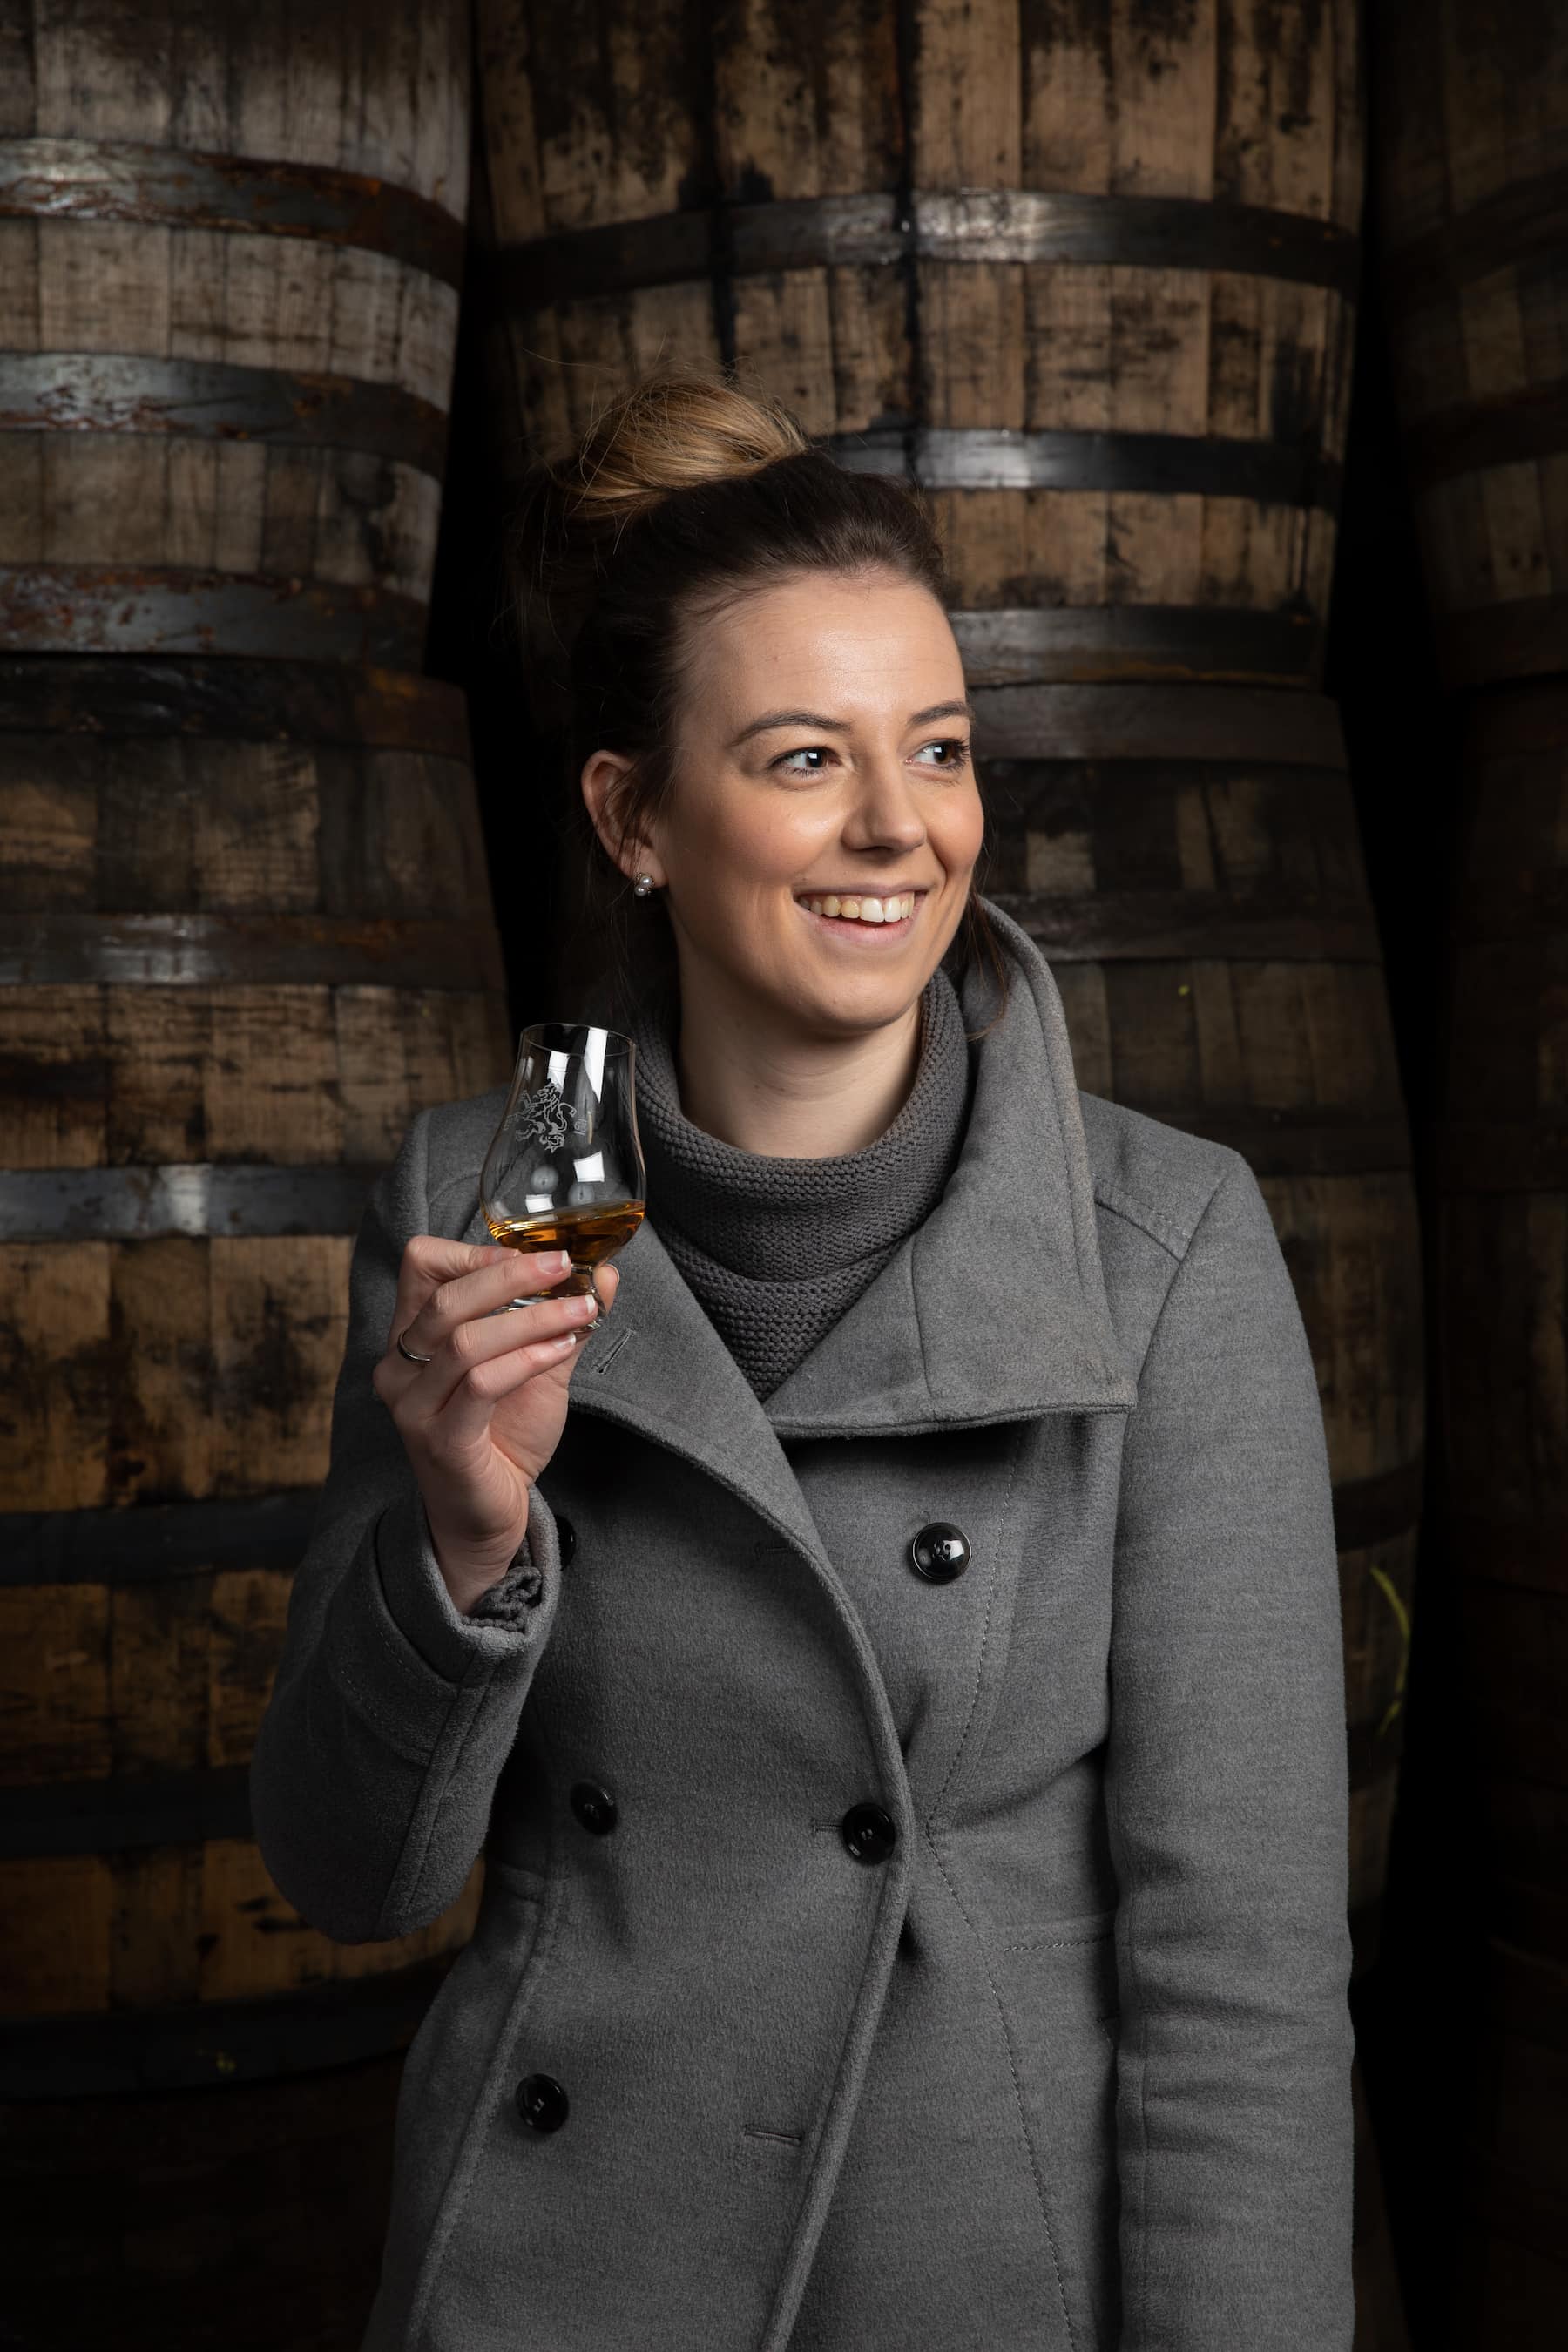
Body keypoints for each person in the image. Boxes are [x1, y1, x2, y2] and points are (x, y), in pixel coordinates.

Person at [250, 367, 1355, 2352]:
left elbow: (1242, 1977)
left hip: (974, 2283)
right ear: (633, 817)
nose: (897, 830)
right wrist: (465, 1540)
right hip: (558, 2284)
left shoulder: (1161, 1244)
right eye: (799, 758)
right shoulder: (505, 1198)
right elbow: (348, 1879)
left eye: (937, 750)